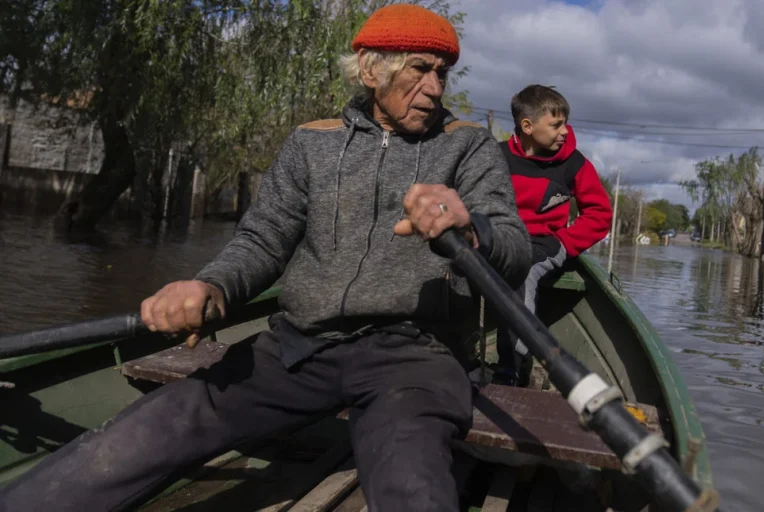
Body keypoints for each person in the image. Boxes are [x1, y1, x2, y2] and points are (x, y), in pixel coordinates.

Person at [0, 5, 530, 512]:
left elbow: (514, 248)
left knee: (412, 485)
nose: (435, 89)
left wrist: (472, 227)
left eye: (444, 73)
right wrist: (211, 288)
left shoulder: (469, 147)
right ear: (372, 69)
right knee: (141, 435)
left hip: (416, 357)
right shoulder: (310, 144)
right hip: (299, 345)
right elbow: (263, 239)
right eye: (421, 69)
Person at [492, 84, 612, 387]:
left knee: (523, 269)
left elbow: (599, 215)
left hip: (546, 243)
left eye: (565, 124)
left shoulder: (574, 163)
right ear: (528, 127)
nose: (564, 132)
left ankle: (511, 367)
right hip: (501, 235)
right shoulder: (497, 156)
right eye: (556, 124)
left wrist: (566, 242)